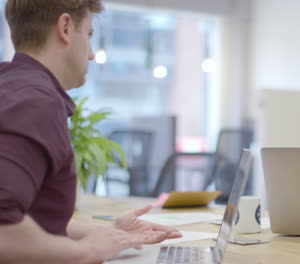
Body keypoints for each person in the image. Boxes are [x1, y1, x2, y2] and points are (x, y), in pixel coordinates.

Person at [0, 1, 182, 263]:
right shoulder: (34, 101)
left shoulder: (13, 87)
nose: (92, 54)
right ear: (65, 27)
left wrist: (111, 234)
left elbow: (34, 218)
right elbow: (4, 230)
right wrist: (86, 251)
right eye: (88, 35)